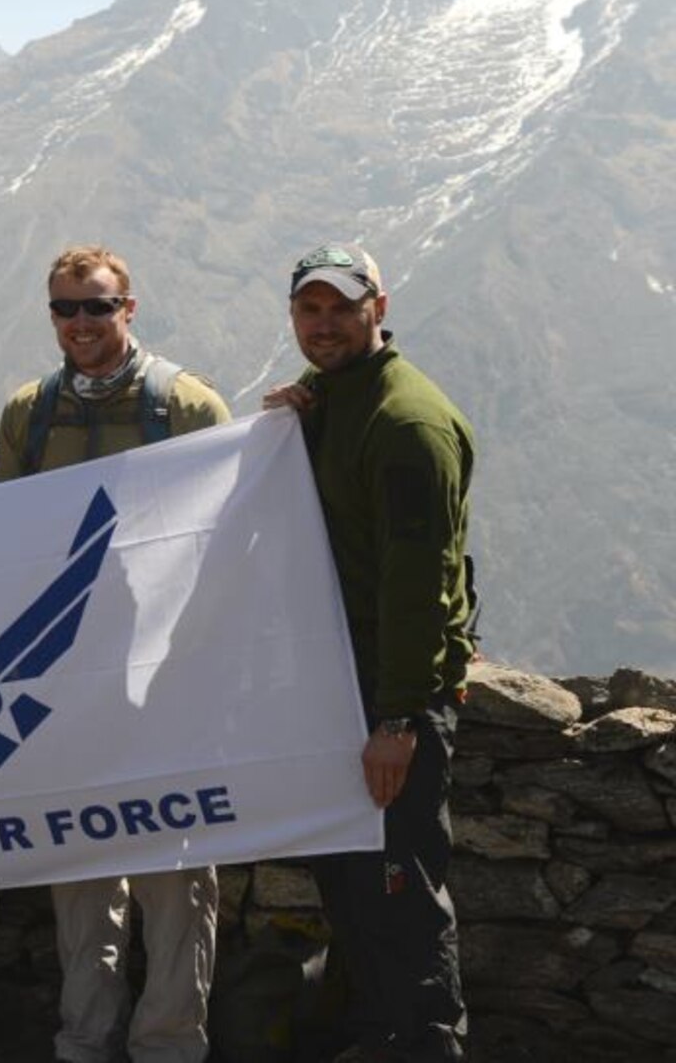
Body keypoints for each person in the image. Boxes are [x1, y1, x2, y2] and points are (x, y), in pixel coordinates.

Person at [0, 246, 229, 1063]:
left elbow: (231, 530)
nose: (81, 324)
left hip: (166, 676)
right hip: (67, 677)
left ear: (130, 308)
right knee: (81, 856)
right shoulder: (30, 411)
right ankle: (85, 1039)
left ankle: (169, 1043)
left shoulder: (189, 406)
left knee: (174, 861)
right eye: (65, 309)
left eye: (97, 307)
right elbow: (2, 532)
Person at [263, 244, 472, 1062]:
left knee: (401, 893)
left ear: (378, 308)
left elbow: (418, 583)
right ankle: (378, 1038)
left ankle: (426, 1045)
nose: (322, 324)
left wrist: (400, 719)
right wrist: (295, 411)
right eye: (308, 310)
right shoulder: (332, 400)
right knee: (352, 887)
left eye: (341, 308)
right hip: (332, 686)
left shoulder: (406, 423)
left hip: (386, 701)